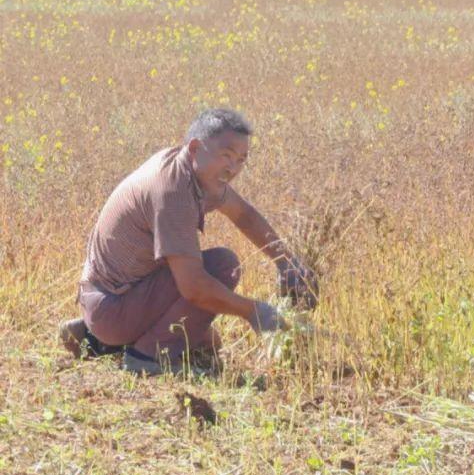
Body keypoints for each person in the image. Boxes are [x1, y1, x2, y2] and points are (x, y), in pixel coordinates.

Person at [59, 108, 319, 376]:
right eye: (226, 156)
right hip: (112, 306)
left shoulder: (192, 171)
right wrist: (256, 312)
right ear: (196, 148)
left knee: (206, 339)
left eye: (241, 160)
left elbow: (244, 215)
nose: (233, 168)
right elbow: (194, 287)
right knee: (223, 267)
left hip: (112, 298)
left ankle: (96, 341)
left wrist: (287, 263)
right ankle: (147, 356)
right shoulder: (172, 192)